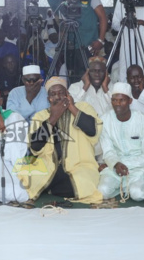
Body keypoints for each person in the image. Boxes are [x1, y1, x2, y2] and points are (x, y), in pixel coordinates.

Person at [21, 76, 102, 204]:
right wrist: (53, 117)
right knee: (26, 178)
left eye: (61, 93)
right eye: (53, 94)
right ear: (48, 99)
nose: (58, 97)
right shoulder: (41, 116)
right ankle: (54, 188)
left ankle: (51, 189)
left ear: (68, 94)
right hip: (49, 166)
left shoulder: (84, 108)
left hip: (78, 166)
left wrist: (72, 108)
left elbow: (92, 130)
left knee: (85, 183)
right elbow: (35, 146)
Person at [96, 82, 144, 202]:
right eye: (114, 100)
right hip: (115, 168)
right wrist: (115, 164)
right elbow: (108, 151)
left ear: (130, 101)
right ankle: (125, 187)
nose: (117, 104)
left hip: (139, 168)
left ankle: (136, 186)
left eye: (122, 100)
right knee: (102, 191)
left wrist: (120, 163)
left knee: (137, 194)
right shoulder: (105, 120)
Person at [46, 0, 108, 84]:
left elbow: (103, 17)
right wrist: (61, 46)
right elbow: (63, 25)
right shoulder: (62, 1)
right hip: (71, 46)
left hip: (89, 45)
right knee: (73, 78)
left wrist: (100, 40)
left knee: (88, 76)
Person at [68, 57, 112, 122]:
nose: (97, 74)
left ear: (106, 73)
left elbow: (117, 110)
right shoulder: (75, 87)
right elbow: (71, 109)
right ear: (87, 72)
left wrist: (105, 89)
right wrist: (85, 87)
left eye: (101, 71)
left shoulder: (113, 87)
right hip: (83, 129)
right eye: (93, 71)